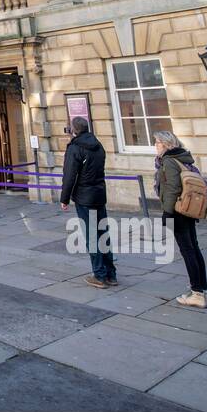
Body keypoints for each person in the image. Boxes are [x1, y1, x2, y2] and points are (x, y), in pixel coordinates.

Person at [59, 116, 117, 288]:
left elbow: (69, 175)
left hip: (85, 196)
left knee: (92, 236)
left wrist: (64, 198)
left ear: (74, 130)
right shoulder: (98, 145)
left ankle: (99, 275)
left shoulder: (75, 148)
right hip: (99, 194)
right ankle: (111, 274)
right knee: (103, 234)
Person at [154, 130, 207, 308]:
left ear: (165, 144)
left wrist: (167, 213)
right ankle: (201, 289)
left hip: (178, 211)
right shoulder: (182, 157)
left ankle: (197, 293)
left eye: (157, 142)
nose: (155, 145)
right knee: (193, 247)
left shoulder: (169, 161)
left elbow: (172, 188)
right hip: (189, 209)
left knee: (187, 250)